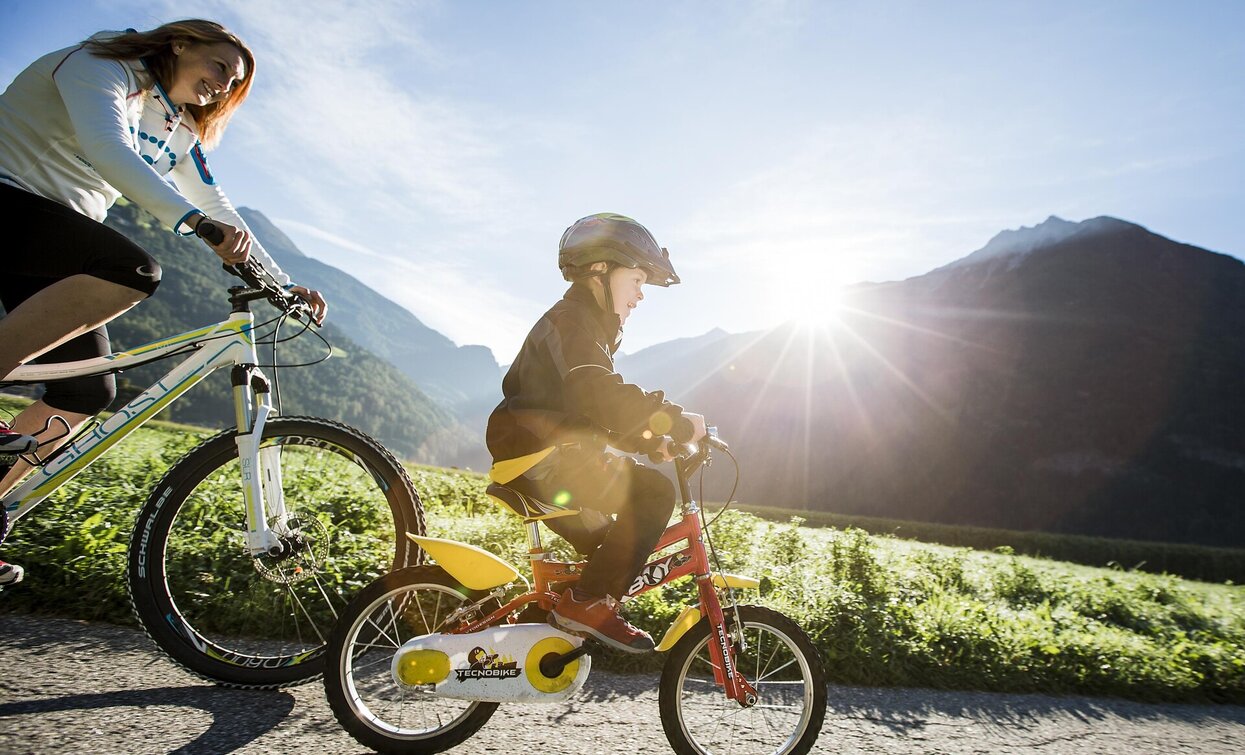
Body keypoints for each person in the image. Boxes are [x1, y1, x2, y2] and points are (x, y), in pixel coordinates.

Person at [0, 20, 327, 586]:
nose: (224, 87)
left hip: (51, 238)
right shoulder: (97, 68)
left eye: (235, 83)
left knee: (85, 390)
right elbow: (108, 150)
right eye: (221, 68)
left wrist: (283, 283)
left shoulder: (176, 128)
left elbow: (213, 199)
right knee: (130, 269)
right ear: (180, 44)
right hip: (9, 198)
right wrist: (194, 224)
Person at [486, 213, 706, 653]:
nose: (641, 295)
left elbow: (592, 411)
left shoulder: (585, 326)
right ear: (600, 270)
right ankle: (588, 605)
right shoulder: (573, 321)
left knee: (610, 547)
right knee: (652, 496)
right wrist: (674, 418)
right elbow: (596, 392)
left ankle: (545, 625)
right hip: (544, 457)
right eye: (638, 279)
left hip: (544, 455)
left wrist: (650, 439)